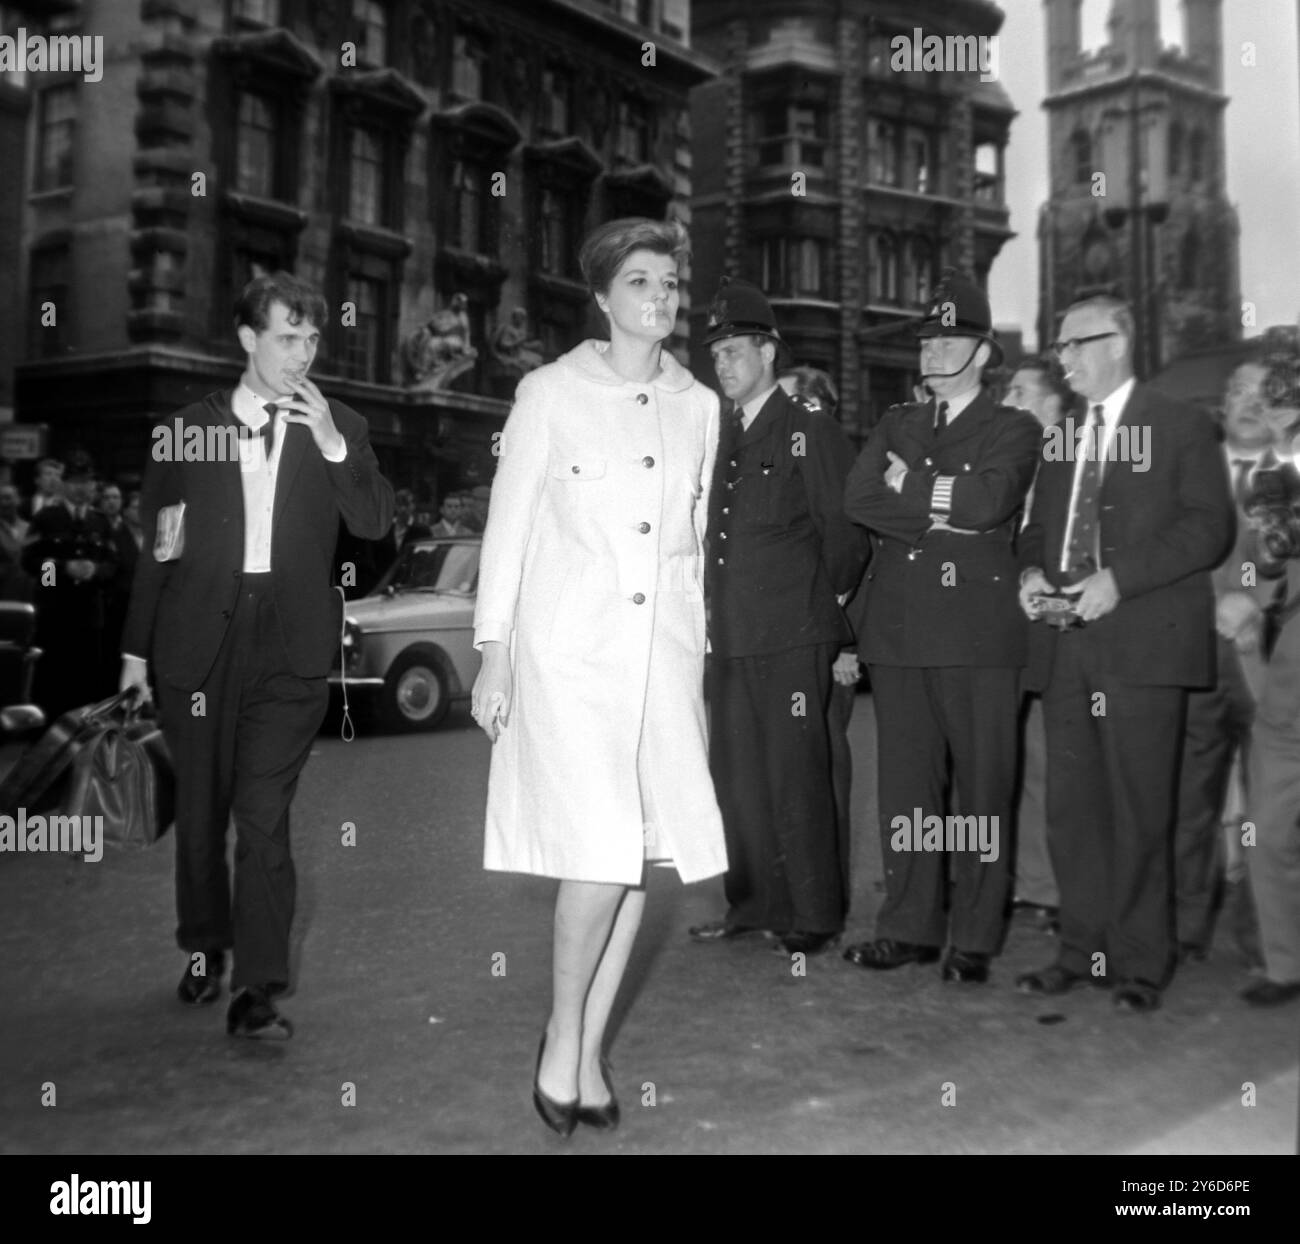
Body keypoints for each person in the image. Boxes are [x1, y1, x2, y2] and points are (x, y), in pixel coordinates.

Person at [471, 217, 726, 1136]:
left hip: (661, 663)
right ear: (604, 296)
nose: (660, 298)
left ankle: (578, 1049)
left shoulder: (700, 405)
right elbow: (509, 529)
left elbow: (693, 549)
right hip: (567, 658)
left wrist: (702, 656)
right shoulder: (548, 393)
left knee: (637, 865)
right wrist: (493, 650)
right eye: (641, 283)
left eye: (669, 284)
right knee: (595, 857)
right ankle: (564, 1034)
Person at [120, 271, 393, 1040]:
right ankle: (205, 947)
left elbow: (373, 523)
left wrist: (336, 445)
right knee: (201, 813)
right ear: (248, 337)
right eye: (286, 337)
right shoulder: (185, 428)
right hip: (198, 643)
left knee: (264, 817)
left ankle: (260, 984)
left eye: (312, 339)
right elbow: (159, 551)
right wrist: (134, 655)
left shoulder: (340, 424)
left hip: (292, 644)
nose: (302, 354)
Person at [1017, 295, 1234, 1013]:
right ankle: (1082, 950)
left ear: (1119, 342)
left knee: (1141, 807)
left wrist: (1122, 579)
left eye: (1076, 345)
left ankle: (1142, 961)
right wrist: (1029, 574)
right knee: (1073, 810)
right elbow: (1037, 528)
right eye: (1060, 348)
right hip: (1067, 646)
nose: (1064, 359)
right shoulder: (1062, 435)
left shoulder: (1179, 425)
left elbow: (1209, 529)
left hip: (1144, 646)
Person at [841, 271, 1041, 984]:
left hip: (978, 637)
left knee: (982, 791)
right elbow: (858, 497)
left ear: (984, 354)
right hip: (900, 633)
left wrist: (912, 489)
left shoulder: (1015, 427)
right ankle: (910, 926)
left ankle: (976, 935)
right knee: (907, 789)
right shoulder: (897, 423)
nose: (931, 353)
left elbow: (990, 503)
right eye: (926, 341)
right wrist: (937, 515)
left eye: (949, 341)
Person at [694, 278, 869, 956]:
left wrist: (821, 610)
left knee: (797, 775)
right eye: (718, 354)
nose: (725, 364)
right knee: (736, 777)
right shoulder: (720, 436)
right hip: (731, 638)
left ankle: (813, 914)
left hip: (794, 634)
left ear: (769, 353)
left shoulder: (809, 432)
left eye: (736, 350)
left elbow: (846, 536)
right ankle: (753, 906)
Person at [1173, 357, 1279, 965]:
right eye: (1237, 389)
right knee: (1191, 801)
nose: (1248, 400)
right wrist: (1216, 606)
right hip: (1199, 656)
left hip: (1271, 666)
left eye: (1264, 393)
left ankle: (1263, 937)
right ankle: (1186, 929)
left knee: (1269, 811)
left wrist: (1256, 603)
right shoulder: (1192, 469)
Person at [777, 364, 868, 912]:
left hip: (827, 645)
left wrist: (846, 644)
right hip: (786, 640)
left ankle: (823, 889)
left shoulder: (834, 461)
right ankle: (790, 888)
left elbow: (856, 553)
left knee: (823, 766)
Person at [1003, 356, 1079, 928]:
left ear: (1057, 404)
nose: (1008, 401)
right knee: (1022, 760)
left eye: (1021, 391)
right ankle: (1031, 881)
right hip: (1006, 626)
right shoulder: (1012, 458)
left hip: (1059, 624)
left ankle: (1057, 886)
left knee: (1057, 761)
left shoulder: (1078, 454)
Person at [23, 454, 118, 717]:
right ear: (64, 485)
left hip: (89, 615)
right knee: (53, 682)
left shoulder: (100, 522)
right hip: (55, 614)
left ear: (93, 487)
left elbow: (112, 566)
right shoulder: (46, 517)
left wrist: (95, 571)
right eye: (75, 482)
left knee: (87, 683)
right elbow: (31, 563)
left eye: (86, 482)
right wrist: (61, 571)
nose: (81, 488)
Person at [99, 482, 139, 695]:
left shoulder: (152, 537)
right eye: (136, 506)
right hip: (119, 607)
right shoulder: (115, 535)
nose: (141, 511)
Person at [0, 483, 33, 600]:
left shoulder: (31, 528)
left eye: (8, 498)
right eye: (0, 499)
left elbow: (47, 562)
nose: (3, 502)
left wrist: (49, 586)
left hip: (31, 595)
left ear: (19, 500)